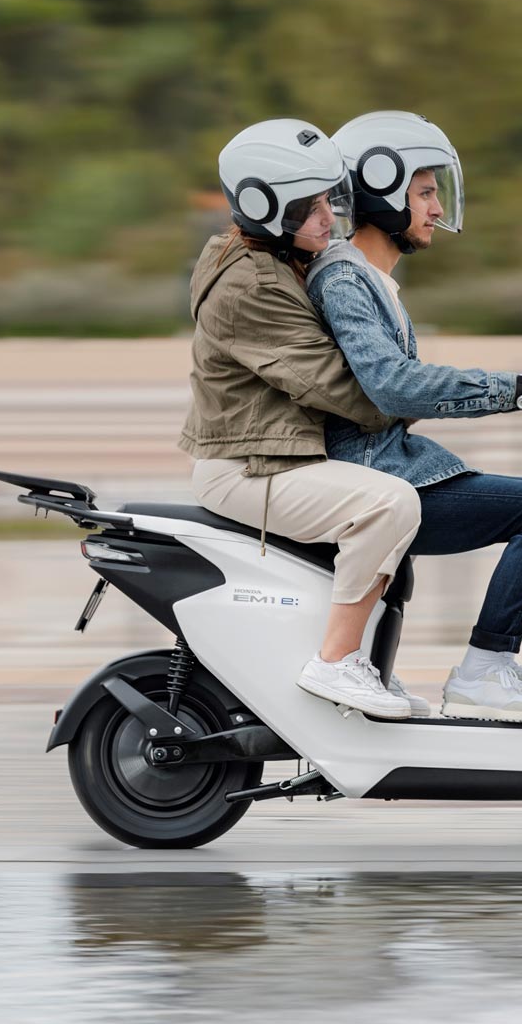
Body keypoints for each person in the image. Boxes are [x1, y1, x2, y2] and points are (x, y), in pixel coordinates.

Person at [307, 110, 522, 723]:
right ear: (382, 188)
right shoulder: (345, 279)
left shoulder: (369, 279)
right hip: (375, 473)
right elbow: (393, 385)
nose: (435, 208)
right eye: (425, 192)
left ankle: (486, 666)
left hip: (390, 466)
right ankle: (485, 670)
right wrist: (515, 390)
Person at [180, 118, 425, 720]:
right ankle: (335, 662)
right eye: (306, 208)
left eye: (325, 200)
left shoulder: (276, 255)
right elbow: (339, 388)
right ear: (262, 207)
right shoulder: (251, 285)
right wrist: (418, 394)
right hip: (249, 467)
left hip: (274, 456)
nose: (326, 218)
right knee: (390, 504)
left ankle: (361, 663)